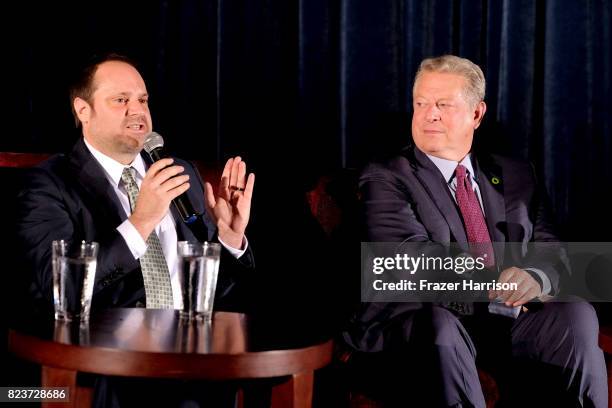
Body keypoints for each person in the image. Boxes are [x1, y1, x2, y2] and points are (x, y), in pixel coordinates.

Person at [342, 55, 607, 407]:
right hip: (423, 324)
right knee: (440, 325)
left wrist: (535, 278)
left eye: (443, 105)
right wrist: (502, 280)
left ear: (477, 114)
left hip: (502, 323)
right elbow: (410, 261)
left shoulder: (517, 175)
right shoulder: (388, 177)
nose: (428, 114)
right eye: (420, 103)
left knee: (576, 313)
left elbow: (551, 248)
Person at [15, 53, 255, 406]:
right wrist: (140, 222)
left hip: (195, 366)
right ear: (83, 110)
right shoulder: (48, 184)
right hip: (103, 372)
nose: (137, 111)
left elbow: (225, 299)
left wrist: (231, 238)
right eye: (120, 100)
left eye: (142, 100)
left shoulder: (180, 175)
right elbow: (56, 289)